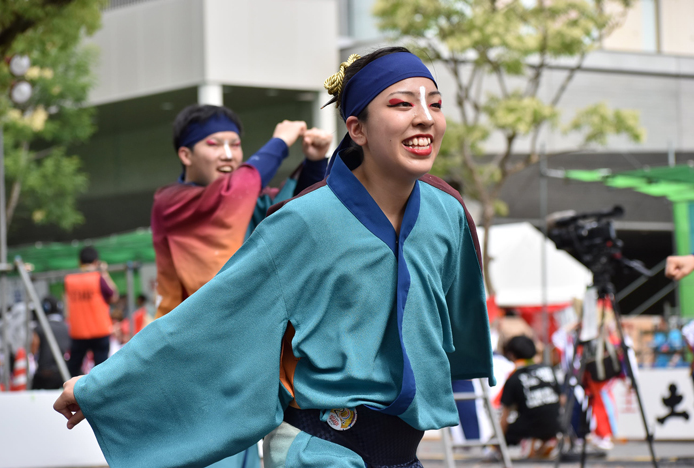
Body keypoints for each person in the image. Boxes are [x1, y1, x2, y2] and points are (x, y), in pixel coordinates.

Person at [54, 47, 494, 468]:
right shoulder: (302, 220)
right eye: (402, 104)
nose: (425, 118)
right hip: (320, 443)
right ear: (356, 129)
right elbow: (207, 315)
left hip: (401, 447)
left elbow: (455, 316)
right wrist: (102, 386)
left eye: (435, 104)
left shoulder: (447, 212)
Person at [153, 105, 332, 318]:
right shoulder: (170, 202)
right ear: (186, 155)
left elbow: (294, 211)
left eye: (235, 144)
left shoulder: (250, 200)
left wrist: (315, 162)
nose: (228, 155)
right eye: (214, 144)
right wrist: (280, 143)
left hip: (243, 324)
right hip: (187, 330)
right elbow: (233, 192)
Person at [500, 335, 561, 457]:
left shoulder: (514, 378)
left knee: (511, 430)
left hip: (530, 427)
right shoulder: (548, 369)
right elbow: (561, 399)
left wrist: (496, 442)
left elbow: (504, 416)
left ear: (511, 355)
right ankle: (547, 440)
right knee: (540, 414)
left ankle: (528, 441)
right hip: (556, 425)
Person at [64, 246, 118, 377]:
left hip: (78, 332)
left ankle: (72, 394)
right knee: (101, 371)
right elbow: (114, 296)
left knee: (74, 369)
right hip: (100, 330)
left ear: (79, 262)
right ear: (96, 261)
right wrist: (104, 272)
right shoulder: (98, 277)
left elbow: (66, 305)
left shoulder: (69, 279)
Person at [31, 296, 71, 389]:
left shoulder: (39, 328)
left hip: (44, 375)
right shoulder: (67, 327)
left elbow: (32, 351)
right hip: (64, 374)